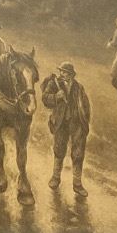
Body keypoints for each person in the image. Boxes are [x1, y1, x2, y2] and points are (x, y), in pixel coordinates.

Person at [41, 61, 90, 198]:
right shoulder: (54, 84)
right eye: (61, 71)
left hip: (76, 122)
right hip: (60, 123)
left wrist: (84, 121)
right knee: (59, 150)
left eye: (65, 72)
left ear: (71, 75)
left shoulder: (78, 87)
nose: (62, 74)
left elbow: (85, 104)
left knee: (78, 153)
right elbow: (45, 98)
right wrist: (56, 96)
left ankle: (77, 184)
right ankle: (55, 178)